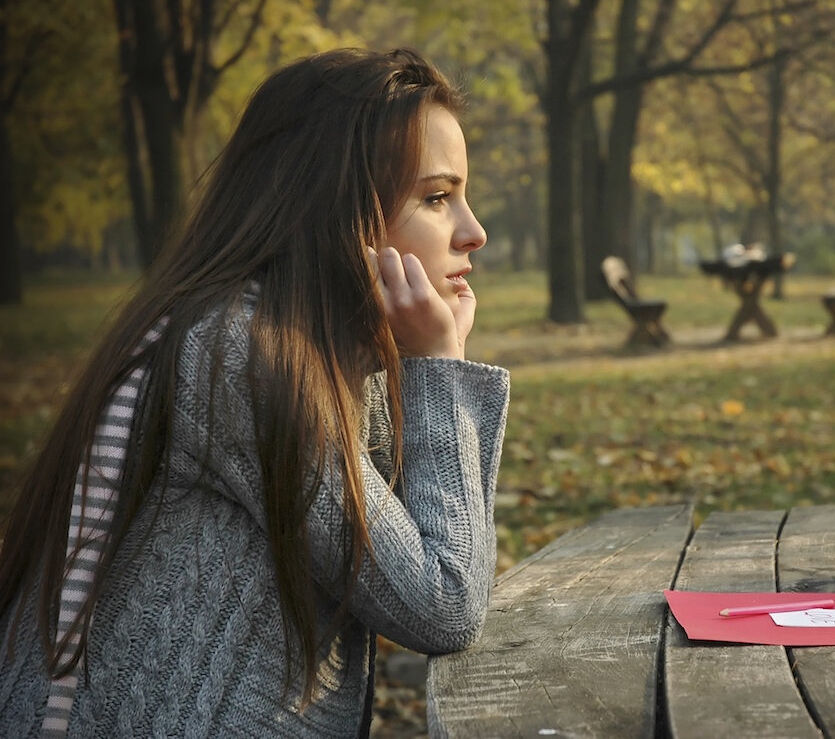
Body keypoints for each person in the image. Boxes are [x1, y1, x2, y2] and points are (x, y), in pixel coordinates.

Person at [0, 48, 510, 737]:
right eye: (436, 197)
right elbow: (443, 603)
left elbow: (428, 560)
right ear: (334, 206)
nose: (473, 232)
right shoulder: (241, 356)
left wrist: (402, 361)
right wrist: (439, 369)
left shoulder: (301, 348)